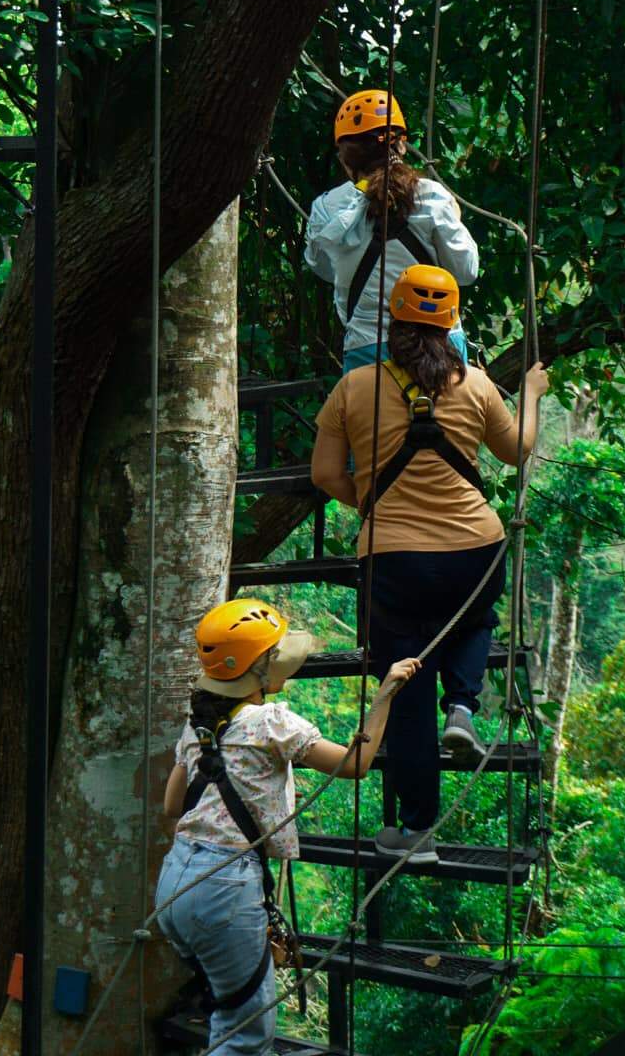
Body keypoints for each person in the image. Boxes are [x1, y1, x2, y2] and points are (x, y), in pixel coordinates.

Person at [310, 264, 548, 864]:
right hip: (475, 546)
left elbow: (324, 475)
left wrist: (370, 501)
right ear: (452, 325)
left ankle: (415, 832)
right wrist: (535, 396)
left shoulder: (355, 387)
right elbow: (517, 452)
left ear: (391, 321)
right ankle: (464, 706)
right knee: (474, 621)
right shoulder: (476, 384)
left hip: (393, 557)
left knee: (407, 693)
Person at [157, 598, 419, 1055]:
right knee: (247, 1035)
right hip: (224, 887)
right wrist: (384, 698)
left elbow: (171, 805)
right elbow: (355, 764)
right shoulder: (273, 722)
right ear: (260, 669)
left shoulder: (198, 725)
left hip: (174, 885)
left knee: (226, 1013)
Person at [305, 88, 479, 372]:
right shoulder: (432, 197)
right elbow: (465, 271)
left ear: (345, 159)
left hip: (367, 350)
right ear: (401, 145)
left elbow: (323, 269)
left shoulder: (327, 208)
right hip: (440, 347)